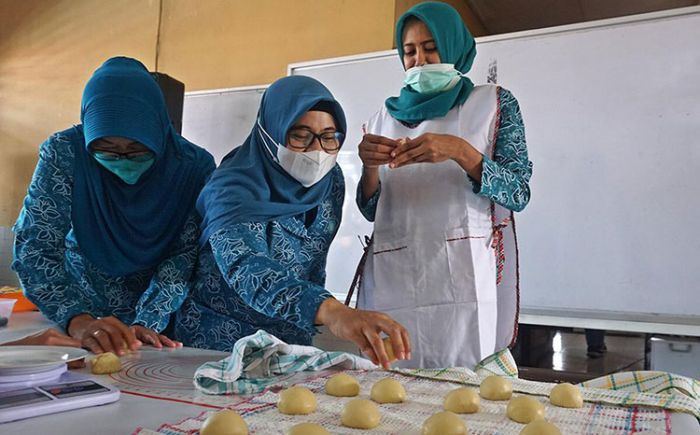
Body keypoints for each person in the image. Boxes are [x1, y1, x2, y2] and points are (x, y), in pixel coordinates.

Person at [175, 76, 410, 368]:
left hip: (291, 344)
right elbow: (247, 268)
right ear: (271, 131)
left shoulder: (330, 180)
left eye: (329, 136)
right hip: (219, 346)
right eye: (300, 135)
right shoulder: (231, 188)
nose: (317, 151)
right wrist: (332, 311)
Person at [355, 2, 532, 368]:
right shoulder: (380, 119)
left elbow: (518, 191)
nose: (419, 60)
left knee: (467, 393)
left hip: (463, 276)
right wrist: (370, 168)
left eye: (430, 47)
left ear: (454, 46)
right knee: (394, 391)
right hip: (395, 277)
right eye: (409, 51)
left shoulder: (493, 104)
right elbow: (372, 209)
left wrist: (461, 152)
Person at [12, 57, 215, 355]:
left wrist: (148, 321)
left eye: (136, 149)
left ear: (159, 131)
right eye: (106, 149)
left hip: (158, 312)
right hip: (78, 306)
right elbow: (35, 246)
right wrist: (77, 319)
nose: (122, 160)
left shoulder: (191, 166)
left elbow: (183, 254)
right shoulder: (65, 153)